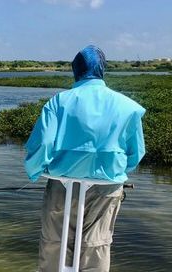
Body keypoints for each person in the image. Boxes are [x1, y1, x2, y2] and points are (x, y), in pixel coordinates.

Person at [24, 45, 146, 272]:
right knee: (97, 244)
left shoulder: (58, 102)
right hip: (107, 188)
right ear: (102, 70)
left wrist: (33, 171)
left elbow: (43, 145)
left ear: (75, 70)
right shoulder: (129, 107)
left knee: (54, 242)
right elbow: (135, 155)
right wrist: (116, 173)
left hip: (61, 184)